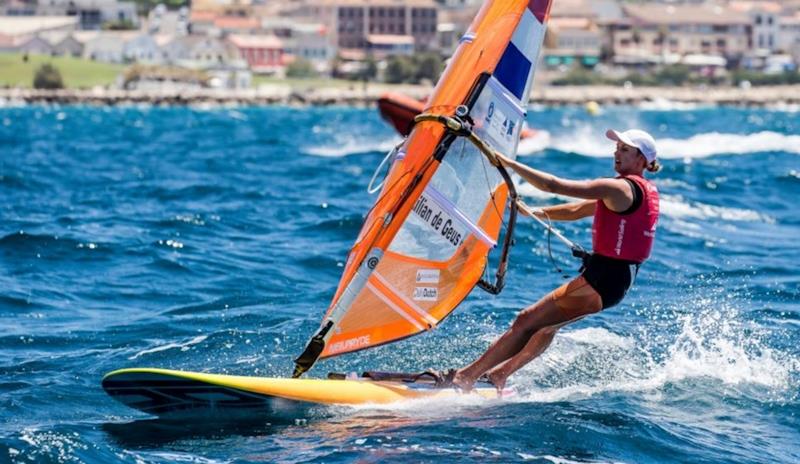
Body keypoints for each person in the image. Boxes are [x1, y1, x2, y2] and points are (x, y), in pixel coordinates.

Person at [450, 129, 662, 392]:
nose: (616, 153)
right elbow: (577, 210)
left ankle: (466, 377)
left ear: (642, 159)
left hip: (602, 278)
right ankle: (499, 376)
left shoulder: (617, 187)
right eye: (617, 147)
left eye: (625, 150)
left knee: (525, 321)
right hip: (617, 283)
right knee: (545, 328)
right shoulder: (641, 191)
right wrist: (535, 212)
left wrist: (507, 162)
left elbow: (553, 185)